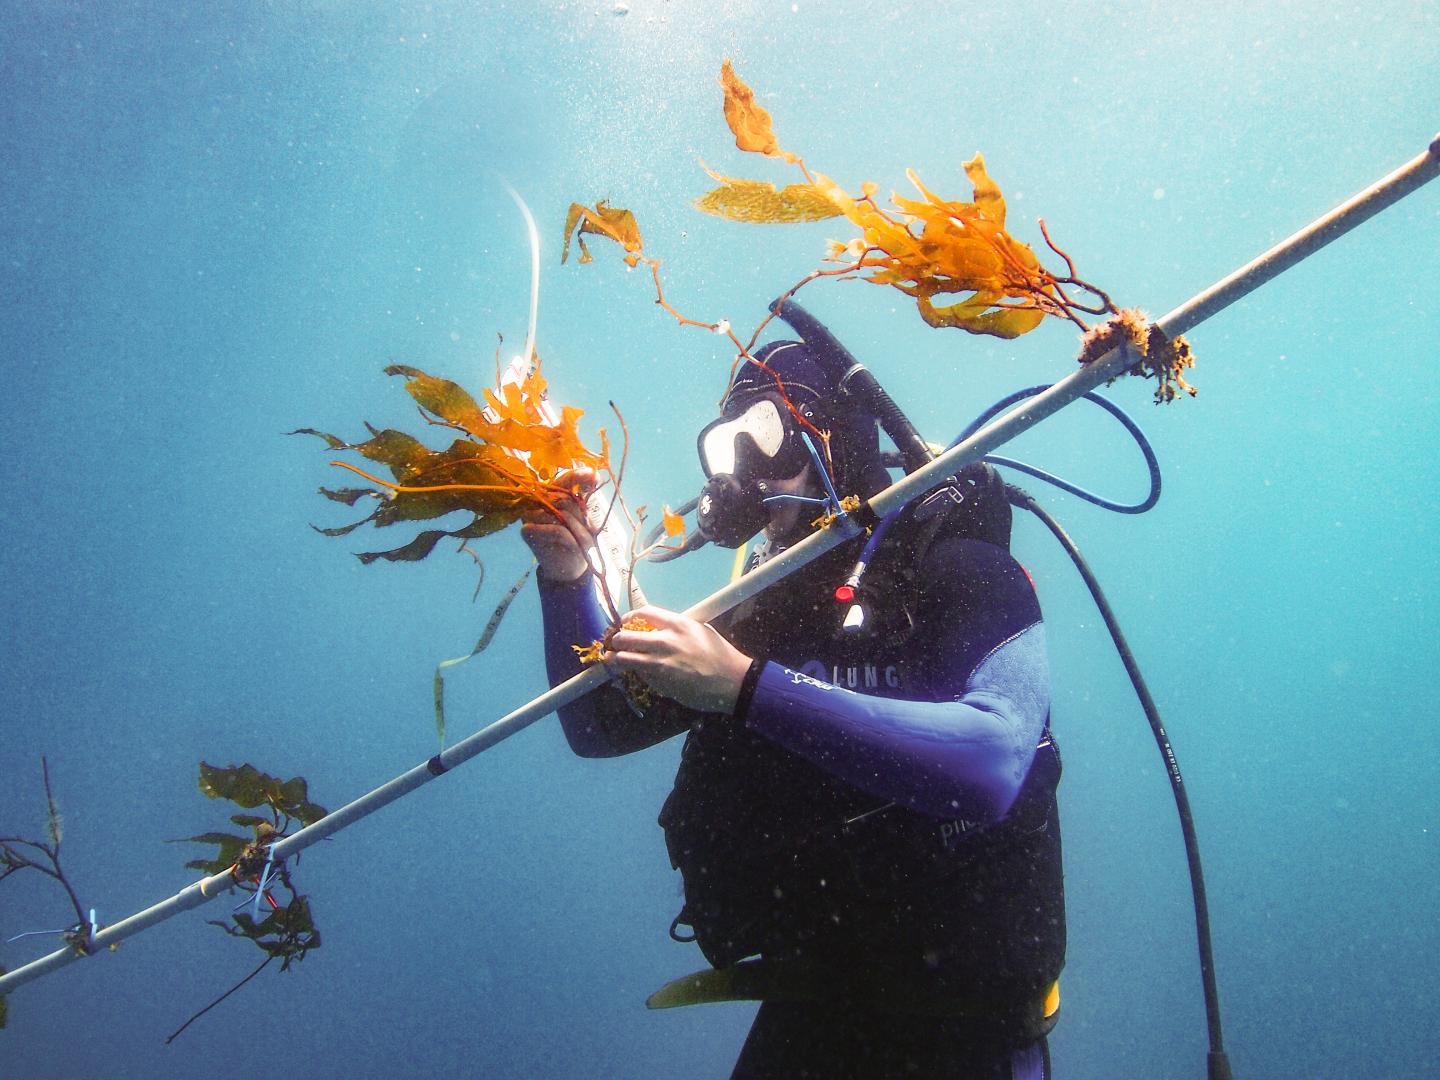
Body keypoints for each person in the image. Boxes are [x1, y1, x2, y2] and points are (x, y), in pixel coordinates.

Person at [523, 339, 1065, 1079]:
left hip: (968, 1027)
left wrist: (744, 687)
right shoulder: (760, 613)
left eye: (766, 437)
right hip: (819, 1002)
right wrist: (567, 580)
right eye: (725, 446)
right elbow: (597, 725)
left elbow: (993, 764)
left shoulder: (957, 566)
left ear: (834, 435)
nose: (744, 472)